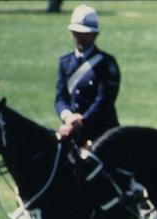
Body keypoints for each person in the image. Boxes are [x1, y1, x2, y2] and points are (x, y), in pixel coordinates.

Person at [54, 4, 120, 144]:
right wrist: (68, 117)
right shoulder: (65, 62)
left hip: (101, 133)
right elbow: (60, 98)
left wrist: (82, 121)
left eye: (85, 34)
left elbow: (104, 100)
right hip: (72, 129)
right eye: (77, 33)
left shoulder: (107, 63)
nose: (80, 37)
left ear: (94, 35)